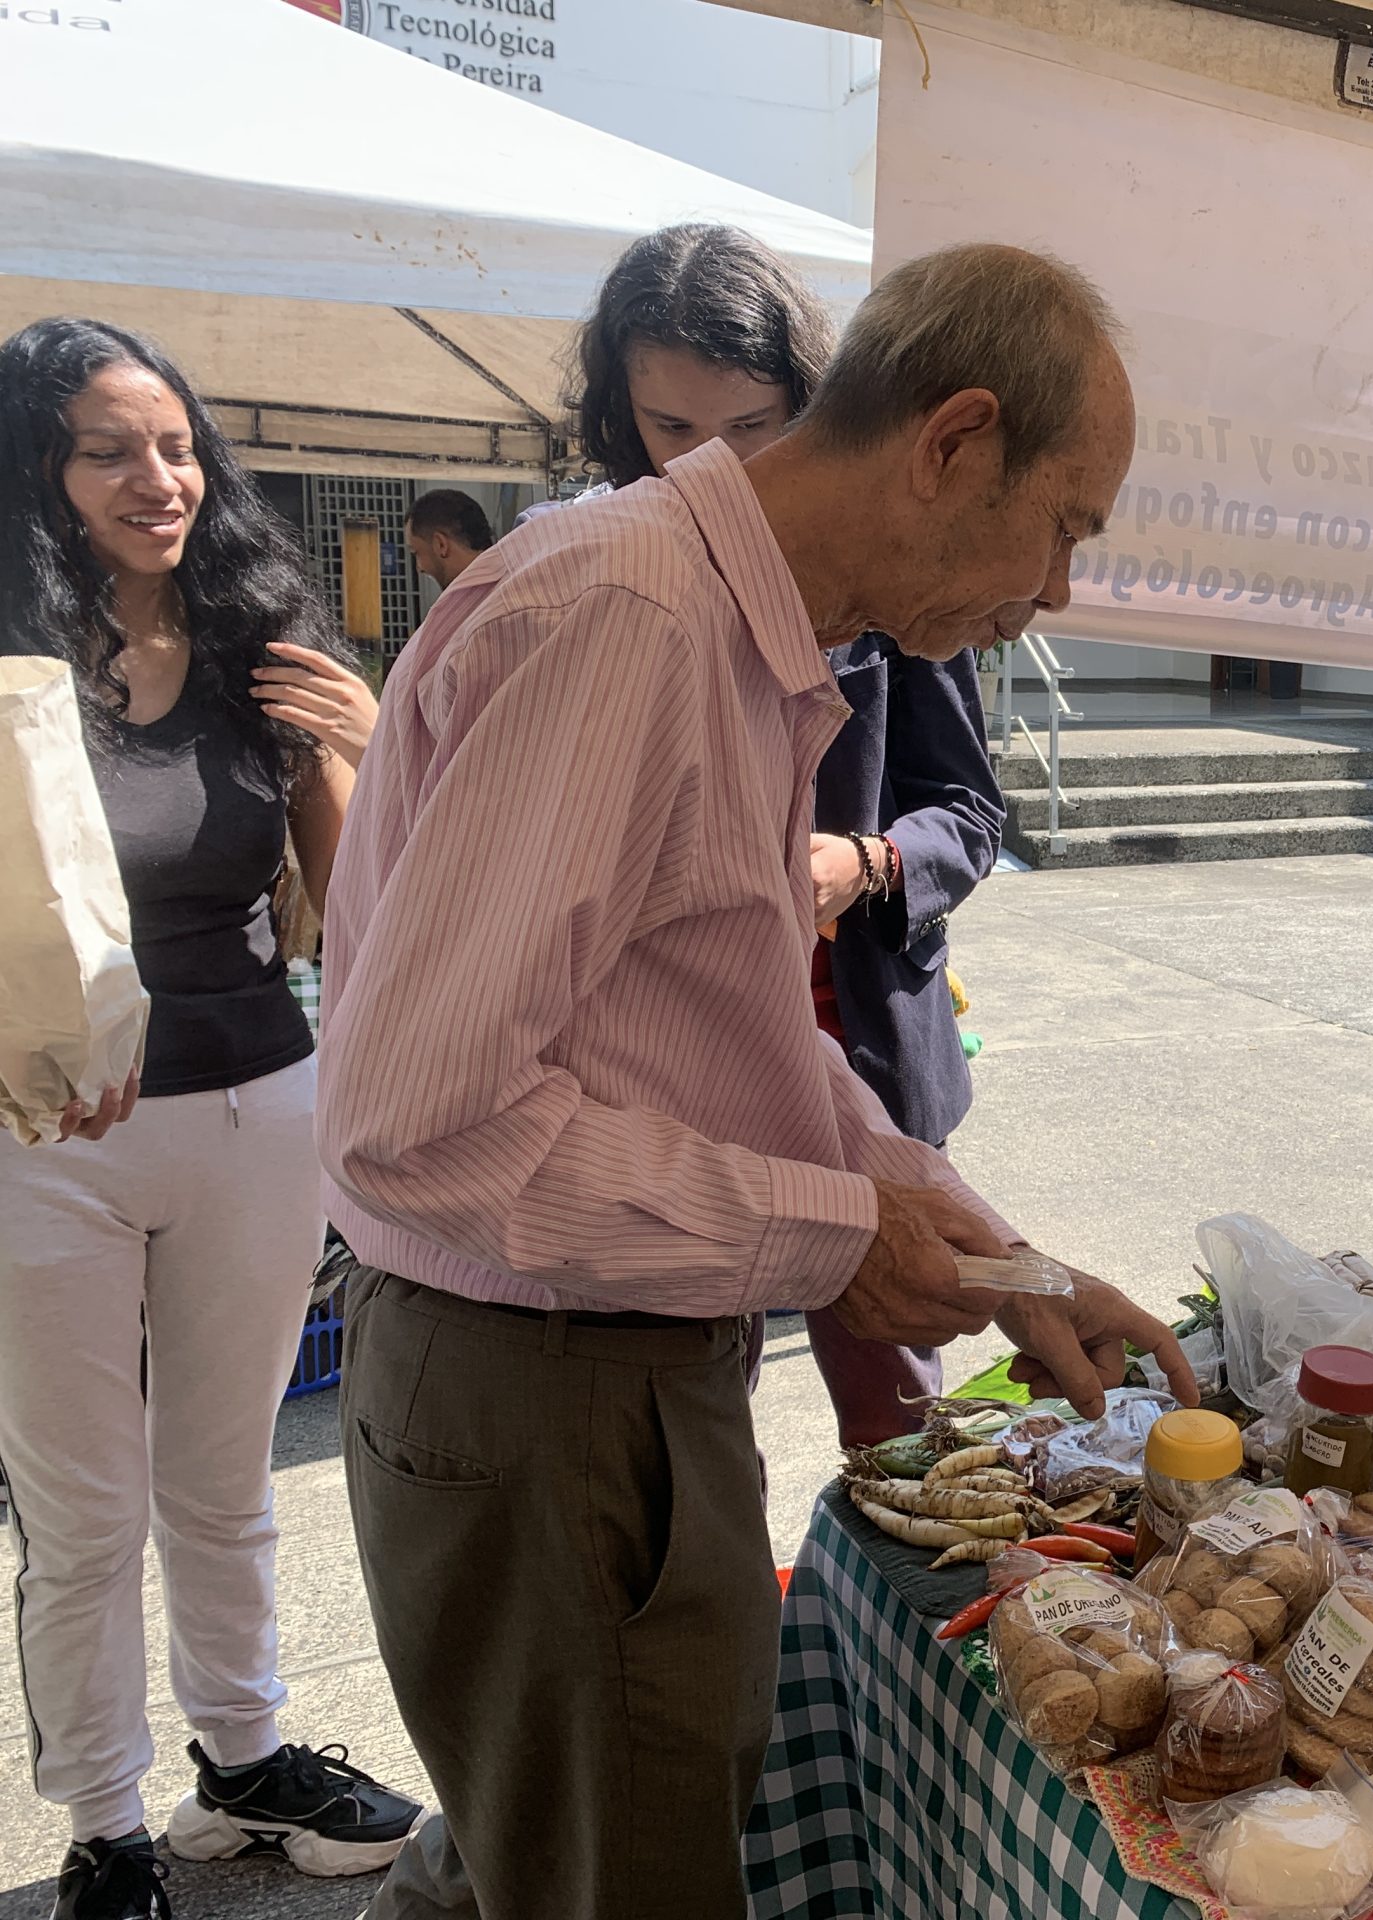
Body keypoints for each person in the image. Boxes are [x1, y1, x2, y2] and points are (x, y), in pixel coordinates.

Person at [314, 242, 1195, 1920]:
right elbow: (418, 1122)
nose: (1059, 593)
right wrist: (825, 1242)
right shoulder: (628, 614)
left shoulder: (724, 626)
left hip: (598, 1360)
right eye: (1067, 524)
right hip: (543, 1377)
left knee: (577, 1840)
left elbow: (721, 1028)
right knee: (611, 1872)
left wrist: (1000, 1261)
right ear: (953, 440)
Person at [0, 319, 423, 1920]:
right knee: (84, 1512)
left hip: (257, 1104)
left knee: (225, 1480)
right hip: (48, 1141)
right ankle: (104, 1824)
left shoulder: (263, 648)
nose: (157, 479)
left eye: (175, 446)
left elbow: (375, 903)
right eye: (110, 448)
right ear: (40, 467)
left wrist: (368, 744)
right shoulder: (8, 668)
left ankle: (242, 1757)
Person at [562, 223, 1008, 1445]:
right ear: (617, 418)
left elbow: (973, 811)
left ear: (818, 415)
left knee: (905, 1411)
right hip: (679, 1076)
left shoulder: (875, 581)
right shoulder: (606, 591)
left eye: (751, 431)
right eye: (670, 432)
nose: (715, 470)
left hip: (855, 1036)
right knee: (703, 1402)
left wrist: (864, 863)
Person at [399, 489, 491, 590]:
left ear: (441, 545)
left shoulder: (478, 603)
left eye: (416, 553)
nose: (419, 568)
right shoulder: (508, 577)